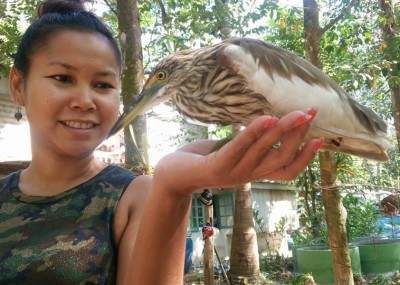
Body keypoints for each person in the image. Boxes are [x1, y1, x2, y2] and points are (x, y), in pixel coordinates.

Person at [0, 0, 324, 284]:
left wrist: (172, 188)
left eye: (102, 84)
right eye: (62, 78)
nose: (85, 100)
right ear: (18, 84)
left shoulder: (134, 197)